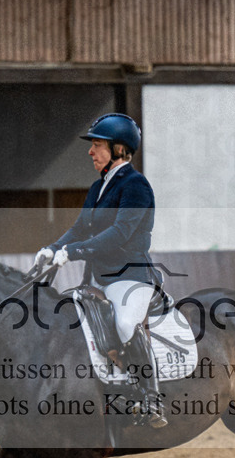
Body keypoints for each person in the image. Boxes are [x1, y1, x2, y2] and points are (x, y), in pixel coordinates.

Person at [34, 113, 167, 428]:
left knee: (124, 324)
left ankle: (151, 397)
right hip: (97, 279)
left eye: (97, 145)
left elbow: (120, 234)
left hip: (130, 277)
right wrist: (53, 248)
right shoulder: (97, 188)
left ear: (119, 149)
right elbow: (80, 229)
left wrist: (74, 252)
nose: (90, 152)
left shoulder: (137, 186)